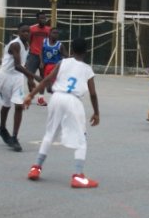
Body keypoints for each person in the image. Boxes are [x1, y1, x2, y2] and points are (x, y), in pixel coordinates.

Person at [24, 37, 101, 188]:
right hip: (73, 101)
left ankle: (36, 168)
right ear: (87, 51)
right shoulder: (87, 69)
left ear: (71, 50)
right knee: (81, 138)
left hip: (56, 98)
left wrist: (31, 95)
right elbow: (92, 94)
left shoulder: (63, 62)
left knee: (49, 134)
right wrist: (96, 112)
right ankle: (78, 176)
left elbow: (46, 80)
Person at [0, 23, 39, 151]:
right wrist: (35, 77)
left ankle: (14, 137)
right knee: (7, 105)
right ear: (18, 32)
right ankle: (2, 128)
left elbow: (22, 66)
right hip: (5, 76)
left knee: (19, 106)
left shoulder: (27, 45)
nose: (26, 34)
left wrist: (30, 80)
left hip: (17, 78)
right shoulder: (15, 44)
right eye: (23, 31)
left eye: (28, 32)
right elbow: (17, 65)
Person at [25, 11, 51, 96]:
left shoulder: (48, 30)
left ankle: (41, 97)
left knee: (43, 77)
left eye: (44, 18)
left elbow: (49, 42)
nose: (43, 20)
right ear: (37, 19)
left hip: (44, 56)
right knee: (29, 76)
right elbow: (29, 40)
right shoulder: (32, 29)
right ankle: (32, 93)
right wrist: (32, 49)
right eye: (41, 18)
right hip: (33, 55)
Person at [40, 28, 64, 99]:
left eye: (57, 33)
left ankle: (58, 98)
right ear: (49, 34)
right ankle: (41, 97)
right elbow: (41, 52)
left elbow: (65, 55)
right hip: (46, 66)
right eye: (54, 33)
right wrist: (41, 62)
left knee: (52, 87)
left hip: (55, 67)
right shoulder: (44, 41)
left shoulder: (60, 45)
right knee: (48, 88)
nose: (56, 35)